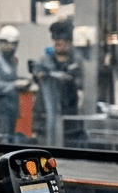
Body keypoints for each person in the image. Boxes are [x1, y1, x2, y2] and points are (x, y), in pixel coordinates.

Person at [32, 18, 84, 146]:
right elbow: (36, 75)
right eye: (57, 41)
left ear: (70, 43)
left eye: (64, 41)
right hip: (44, 118)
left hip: (69, 121)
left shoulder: (75, 62)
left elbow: (80, 84)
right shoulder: (45, 60)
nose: (60, 44)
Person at [0, 25, 32, 143]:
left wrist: (24, 81)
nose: (11, 47)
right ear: (1, 42)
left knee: (10, 140)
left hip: (11, 108)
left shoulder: (11, 60)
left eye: (14, 44)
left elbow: (11, 78)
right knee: (2, 141)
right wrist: (14, 85)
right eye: (8, 43)